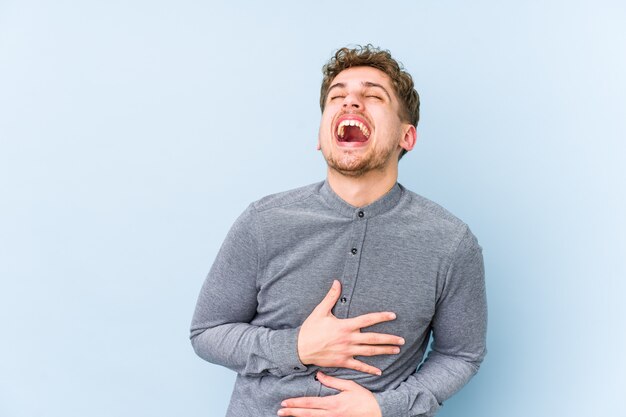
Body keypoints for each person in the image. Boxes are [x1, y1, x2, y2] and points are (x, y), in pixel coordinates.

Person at [190, 45, 487, 417]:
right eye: (338, 96)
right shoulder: (263, 222)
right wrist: (295, 347)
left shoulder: (451, 243)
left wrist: (384, 407)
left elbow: (461, 354)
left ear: (406, 137)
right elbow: (207, 332)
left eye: (373, 96)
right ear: (320, 135)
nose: (351, 103)